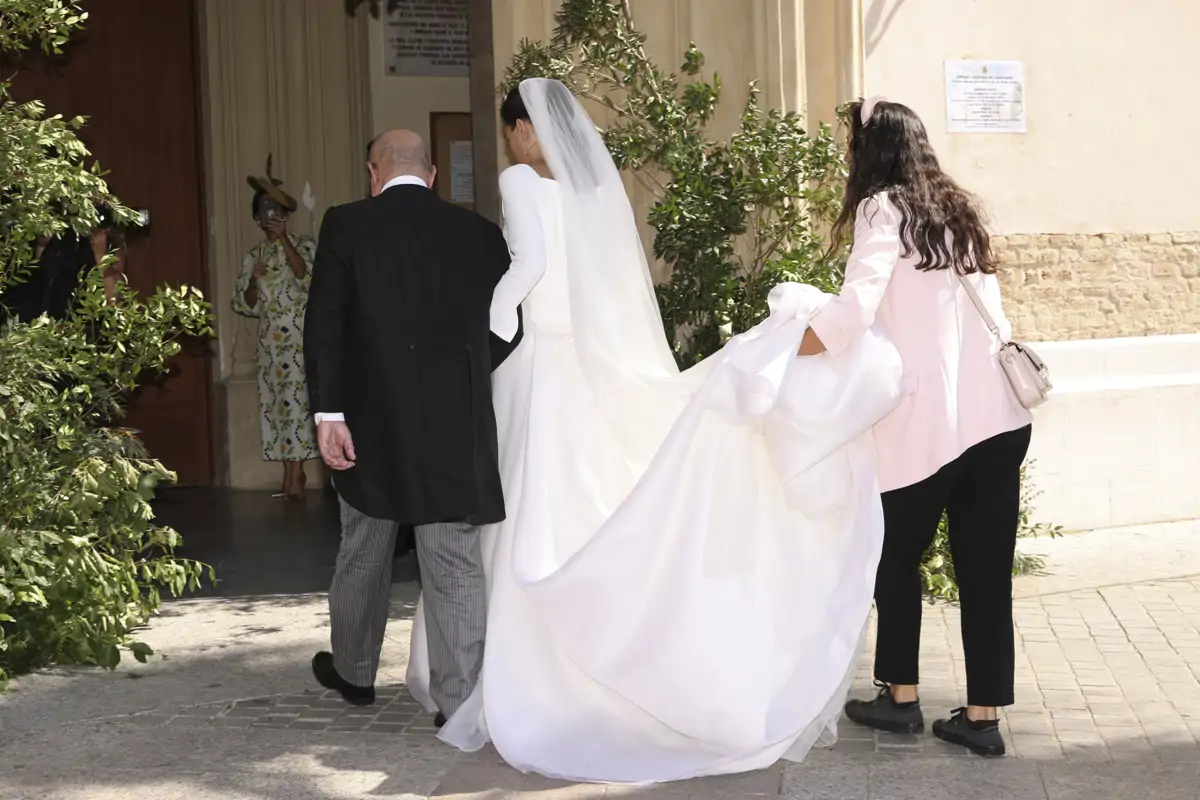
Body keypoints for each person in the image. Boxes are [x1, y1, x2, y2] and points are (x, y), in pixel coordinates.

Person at [405, 79, 905, 783]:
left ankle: (510, 676)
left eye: (511, 130)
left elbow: (531, 268)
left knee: (516, 514)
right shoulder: (588, 193)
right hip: (581, 367)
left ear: (523, 131)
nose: (513, 143)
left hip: (536, 366)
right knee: (575, 506)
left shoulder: (519, 181)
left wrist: (484, 322)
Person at [800, 98, 1034, 757]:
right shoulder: (957, 209)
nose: (845, 152)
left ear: (871, 148)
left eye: (851, 140)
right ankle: (982, 717)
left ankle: (900, 697)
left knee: (890, 556)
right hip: (998, 422)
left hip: (928, 429)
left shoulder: (882, 208)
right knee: (985, 570)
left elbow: (852, 310)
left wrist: (783, 351)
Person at [303, 130, 520, 716]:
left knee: (363, 552)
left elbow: (324, 322)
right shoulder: (479, 235)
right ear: (430, 175)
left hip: (367, 427)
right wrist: (466, 377)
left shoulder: (346, 225)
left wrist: (329, 413)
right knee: (452, 561)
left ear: (374, 173)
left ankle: (353, 673)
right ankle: (460, 702)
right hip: (452, 425)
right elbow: (508, 326)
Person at [232, 162, 318, 500]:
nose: (271, 216)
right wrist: (253, 281)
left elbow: (307, 278)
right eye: (265, 212)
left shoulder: (306, 245)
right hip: (271, 345)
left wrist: (285, 243)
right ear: (257, 219)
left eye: (277, 210)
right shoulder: (253, 256)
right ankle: (288, 472)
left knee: (299, 407)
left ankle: (298, 476)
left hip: (299, 339)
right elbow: (243, 303)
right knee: (277, 408)